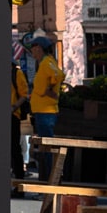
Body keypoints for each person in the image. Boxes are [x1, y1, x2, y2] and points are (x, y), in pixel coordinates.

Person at [28, 35, 63, 179]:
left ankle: (49, 180)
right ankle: (47, 180)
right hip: (42, 112)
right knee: (44, 148)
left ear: (39, 48)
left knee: (47, 149)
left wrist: (48, 90)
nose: (32, 52)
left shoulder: (47, 62)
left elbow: (59, 74)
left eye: (33, 49)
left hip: (46, 112)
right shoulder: (44, 63)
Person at [10, 58, 31, 191]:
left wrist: (13, 107)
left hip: (12, 115)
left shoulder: (16, 73)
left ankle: (19, 186)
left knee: (14, 149)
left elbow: (24, 94)